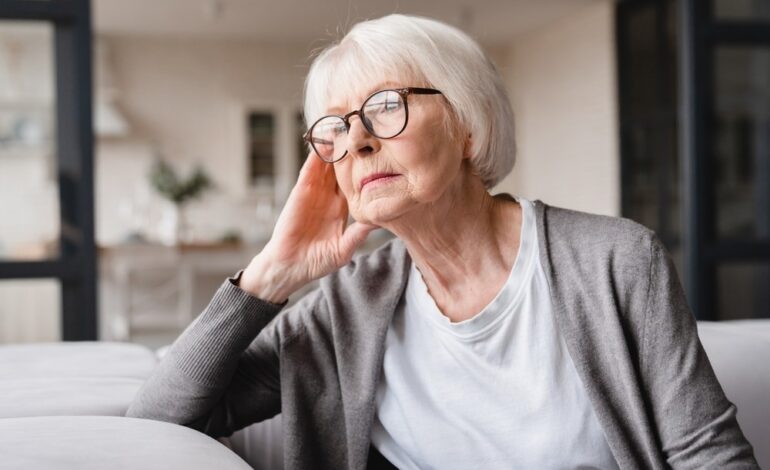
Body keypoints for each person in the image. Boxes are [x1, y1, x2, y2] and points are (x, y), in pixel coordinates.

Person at [127, 14, 758, 469]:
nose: (360, 141)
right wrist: (271, 275)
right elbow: (156, 424)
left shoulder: (616, 261)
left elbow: (710, 457)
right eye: (336, 128)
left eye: (384, 106)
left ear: (466, 126)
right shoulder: (346, 305)